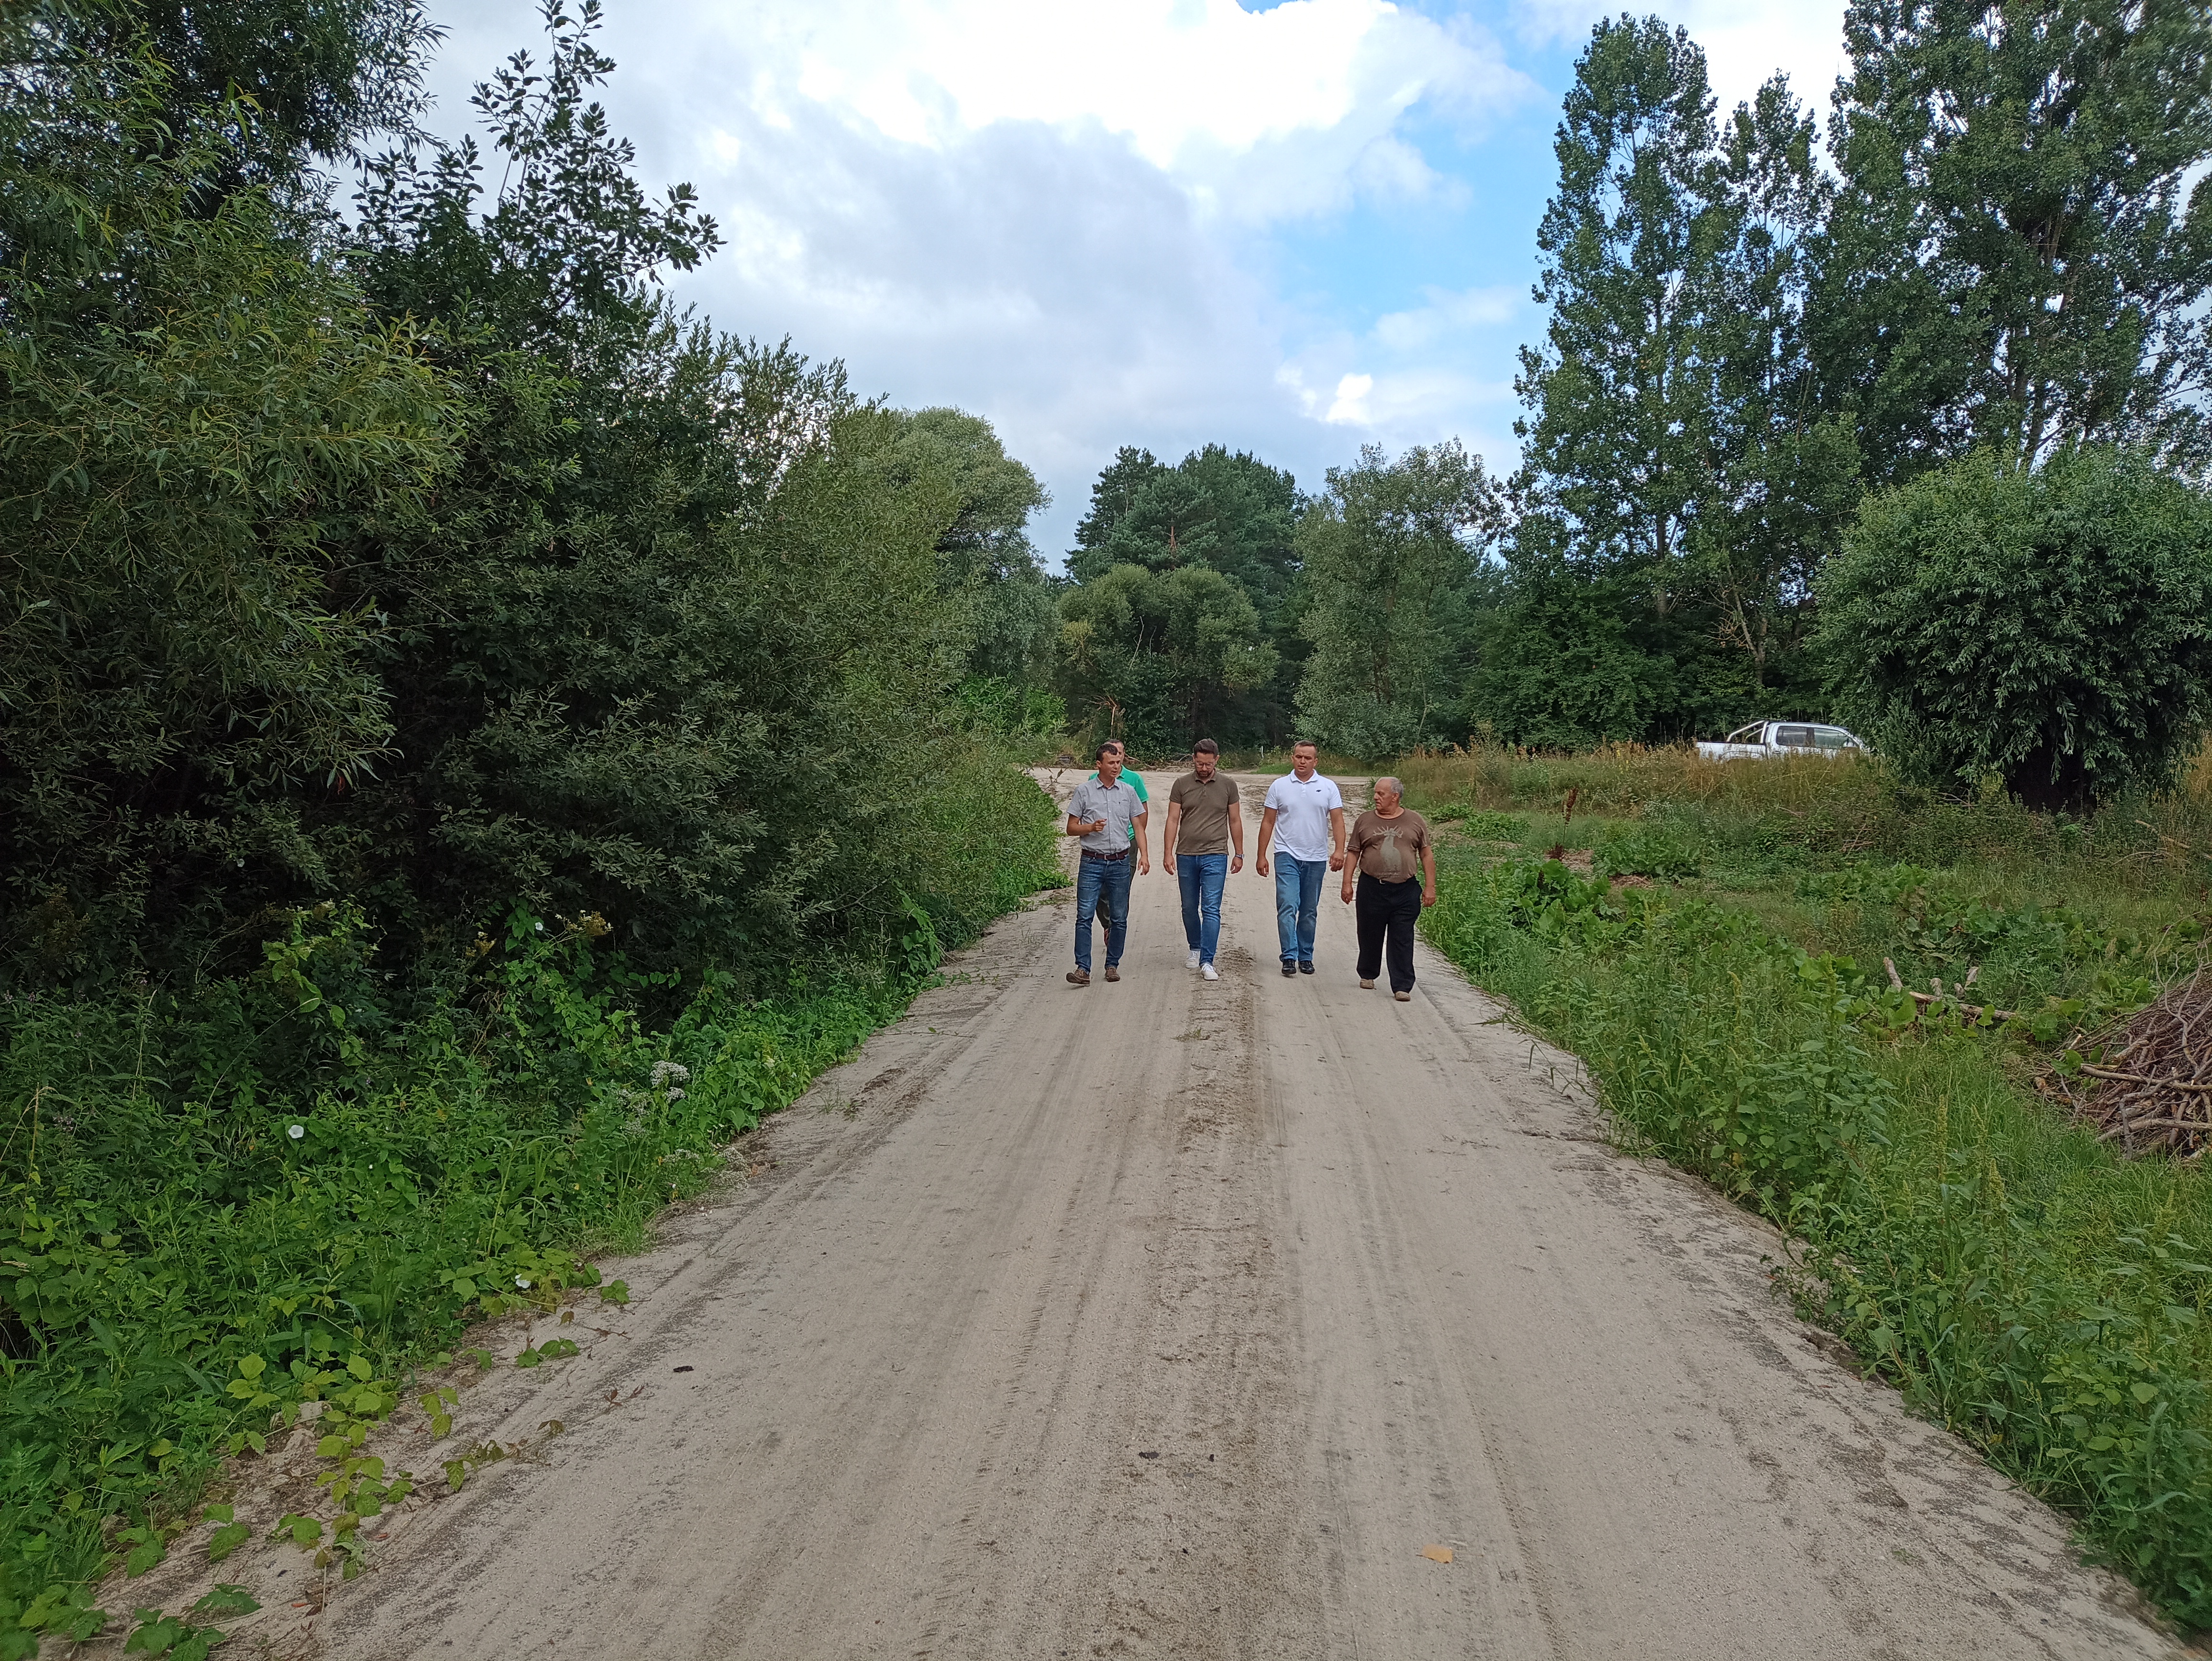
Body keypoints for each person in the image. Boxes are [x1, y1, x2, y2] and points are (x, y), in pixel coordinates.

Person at [1340, 775, 1436, 1001]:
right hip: (1372, 887)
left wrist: (1430, 887)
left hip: (1405, 889)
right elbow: (1353, 852)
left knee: (1402, 937)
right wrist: (1347, 883)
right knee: (1369, 932)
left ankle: (1402, 985)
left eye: (1380, 794)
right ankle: (1368, 972)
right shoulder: (1365, 820)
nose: (1375, 797)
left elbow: (1426, 854)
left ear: (1395, 796)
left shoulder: (1415, 821)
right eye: (1375, 793)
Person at [1254, 741, 1344, 977]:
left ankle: (1306, 955)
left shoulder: (1328, 787)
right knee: (1288, 904)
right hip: (1287, 854)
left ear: (1316, 761)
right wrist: (1261, 855)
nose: (1302, 761)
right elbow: (1268, 821)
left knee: (1308, 909)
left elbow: (1337, 821)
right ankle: (1289, 956)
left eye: (1307, 758)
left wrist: (1339, 850)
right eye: (1298, 757)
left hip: (1316, 857)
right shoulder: (1279, 786)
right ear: (1292, 758)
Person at [1063, 741, 1148, 986]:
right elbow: (1071, 828)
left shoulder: (1127, 792)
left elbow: (1138, 825)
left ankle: (1112, 965)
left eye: (1119, 762)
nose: (1116, 767)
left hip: (1120, 861)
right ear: (1099, 764)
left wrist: (1144, 854)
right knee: (1084, 916)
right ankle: (1083, 969)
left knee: (1119, 917)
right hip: (1092, 862)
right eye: (1111, 763)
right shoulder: (1084, 791)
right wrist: (1089, 828)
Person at [1161, 739, 1244, 980]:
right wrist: (1168, 852)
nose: (1204, 768)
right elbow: (1173, 819)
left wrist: (1239, 853)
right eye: (1199, 763)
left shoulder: (1229, 785)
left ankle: (1208, 960)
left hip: (1216, 854)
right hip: (1186, 854)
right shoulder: (1181, 784)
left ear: (1217, 760)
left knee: (1211, 909)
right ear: (1193, 760)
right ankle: (1195, 948)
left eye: (1208, 764)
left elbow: (1235, 820)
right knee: (1189, 907)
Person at [1087, 741, 1148, 925]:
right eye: (1113, 756)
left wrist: (1138, 838)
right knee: (1100, 891)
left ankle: (1117, 926)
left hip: (1127, 841)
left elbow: (1142, 812)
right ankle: (1108, 924)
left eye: (1120, 754)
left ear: (1123, 755)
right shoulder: (1092, 780)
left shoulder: (1134, 780)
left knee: (1121, 889)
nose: (1117, 758)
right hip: (1101, 843)